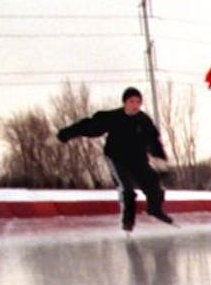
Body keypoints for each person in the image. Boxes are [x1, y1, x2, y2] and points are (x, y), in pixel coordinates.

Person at [58, 87, 173, 232]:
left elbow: (154, 140)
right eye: (131, 101)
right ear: (125, 102)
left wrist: (160, 159)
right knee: (127, 189)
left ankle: (155, 209)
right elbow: (88, 126)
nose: (135, 105)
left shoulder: (144, 120)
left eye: (138, 102)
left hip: (137, 159)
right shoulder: (114, 117)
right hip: (116, 158)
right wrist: (64, 135)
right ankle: (127, 220)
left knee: (153, 183)